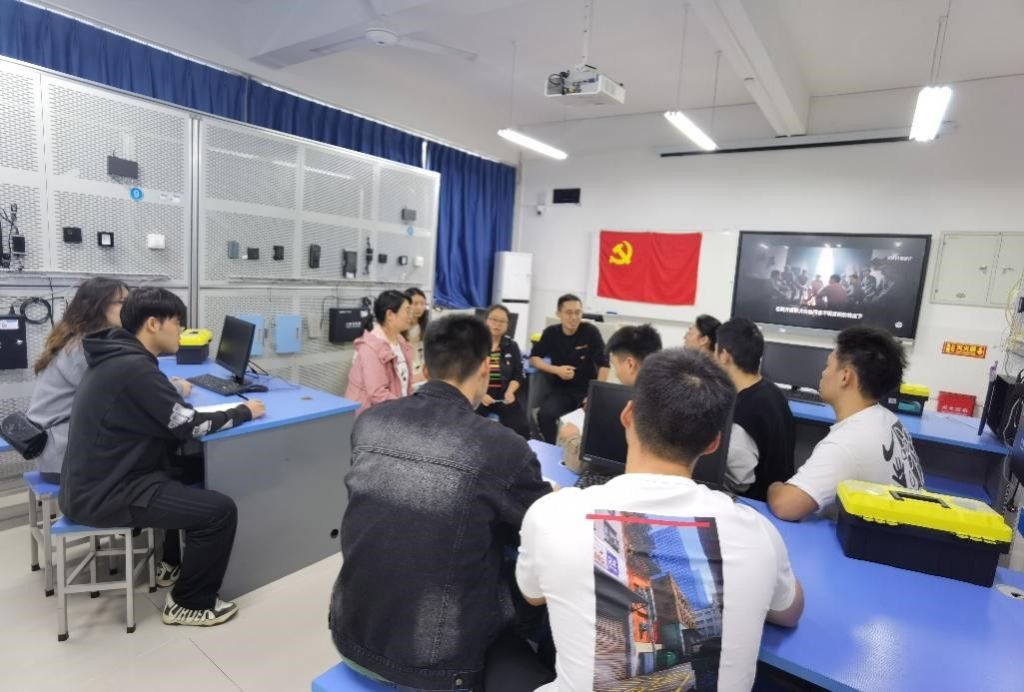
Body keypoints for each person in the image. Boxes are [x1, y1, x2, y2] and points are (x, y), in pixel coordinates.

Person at [517, 349, 804, 691]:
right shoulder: (758, 534)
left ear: (628, 415)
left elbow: (533, 596)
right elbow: (789, 612)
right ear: (714, 443)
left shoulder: (553, 515)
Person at [330, 315, 554, 691]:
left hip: (352, 634)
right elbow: (542, 528)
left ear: (424, 367)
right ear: (484, 369)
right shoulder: (501, 447)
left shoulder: (370, 423)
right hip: (437, 663)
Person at [59, 288, 265, 626]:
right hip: (107, 493)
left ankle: (171, 562)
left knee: (193, 467)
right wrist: (244, 411)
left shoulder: (119, 357)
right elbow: (189, 425)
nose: (182, 332)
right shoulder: (133, 368)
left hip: (101, 480)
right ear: (153, 324)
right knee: (219, 512)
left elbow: (168, 417)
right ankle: (190, 602)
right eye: (178, 323)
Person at [767, 326, 925, 521]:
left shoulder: (847, 443)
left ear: (845, 376)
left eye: (828, 366)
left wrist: (773, 486)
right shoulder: (889, 420)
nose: (823, 373)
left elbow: (785, 506)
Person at [557, 324, 662, 472]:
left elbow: (582, 465)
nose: (616, 373)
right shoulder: (672, 395)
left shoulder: (626, 406)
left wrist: (571, 437)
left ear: (630, 364)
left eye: (614, 365)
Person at [714, 318, 796, 500]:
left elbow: (739, 481)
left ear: (725, 356)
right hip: (776, 494)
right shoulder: (772, 391)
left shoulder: (743, 412)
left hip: (755, 503)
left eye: (715, 350)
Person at [529, 294, 610, 443]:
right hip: (562, 391)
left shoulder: (590, 332)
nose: (574, 317)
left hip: (586, 391)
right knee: (544, 415)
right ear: (558, 314)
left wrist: (594, 394)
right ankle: (553, 448)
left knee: (596, 421)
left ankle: (582, 452)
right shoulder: (551, 333)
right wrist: (556, 370)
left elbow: (604, 364)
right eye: (568, 312)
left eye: (578, 312)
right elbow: (534, 359)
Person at [345, 290, 414, 413]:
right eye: (407, 310)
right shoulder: (370, 348)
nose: (411, 315)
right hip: (371, 417)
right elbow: (377, 394)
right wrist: (408, 407)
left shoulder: (401, 342)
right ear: (390, 315)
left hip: (394, 411)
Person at [476, 305, 531, 439]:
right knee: (469, 428)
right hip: (478, 395)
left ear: (507, 325)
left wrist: (510, 391)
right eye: (494, 319)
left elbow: (518, 374)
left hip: (503, 396)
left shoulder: (511, 346)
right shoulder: (474, 344)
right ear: (486, 321)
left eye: (502, 321)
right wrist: (480, 395)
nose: (497, 324)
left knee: (522, 428)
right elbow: (465, 375)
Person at [403, 287, 429, 383]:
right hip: (404, 363)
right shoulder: (400, 323)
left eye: (422, 304)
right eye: (415, 304)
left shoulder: (426, 323)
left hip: (420, 362)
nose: (419, 307)